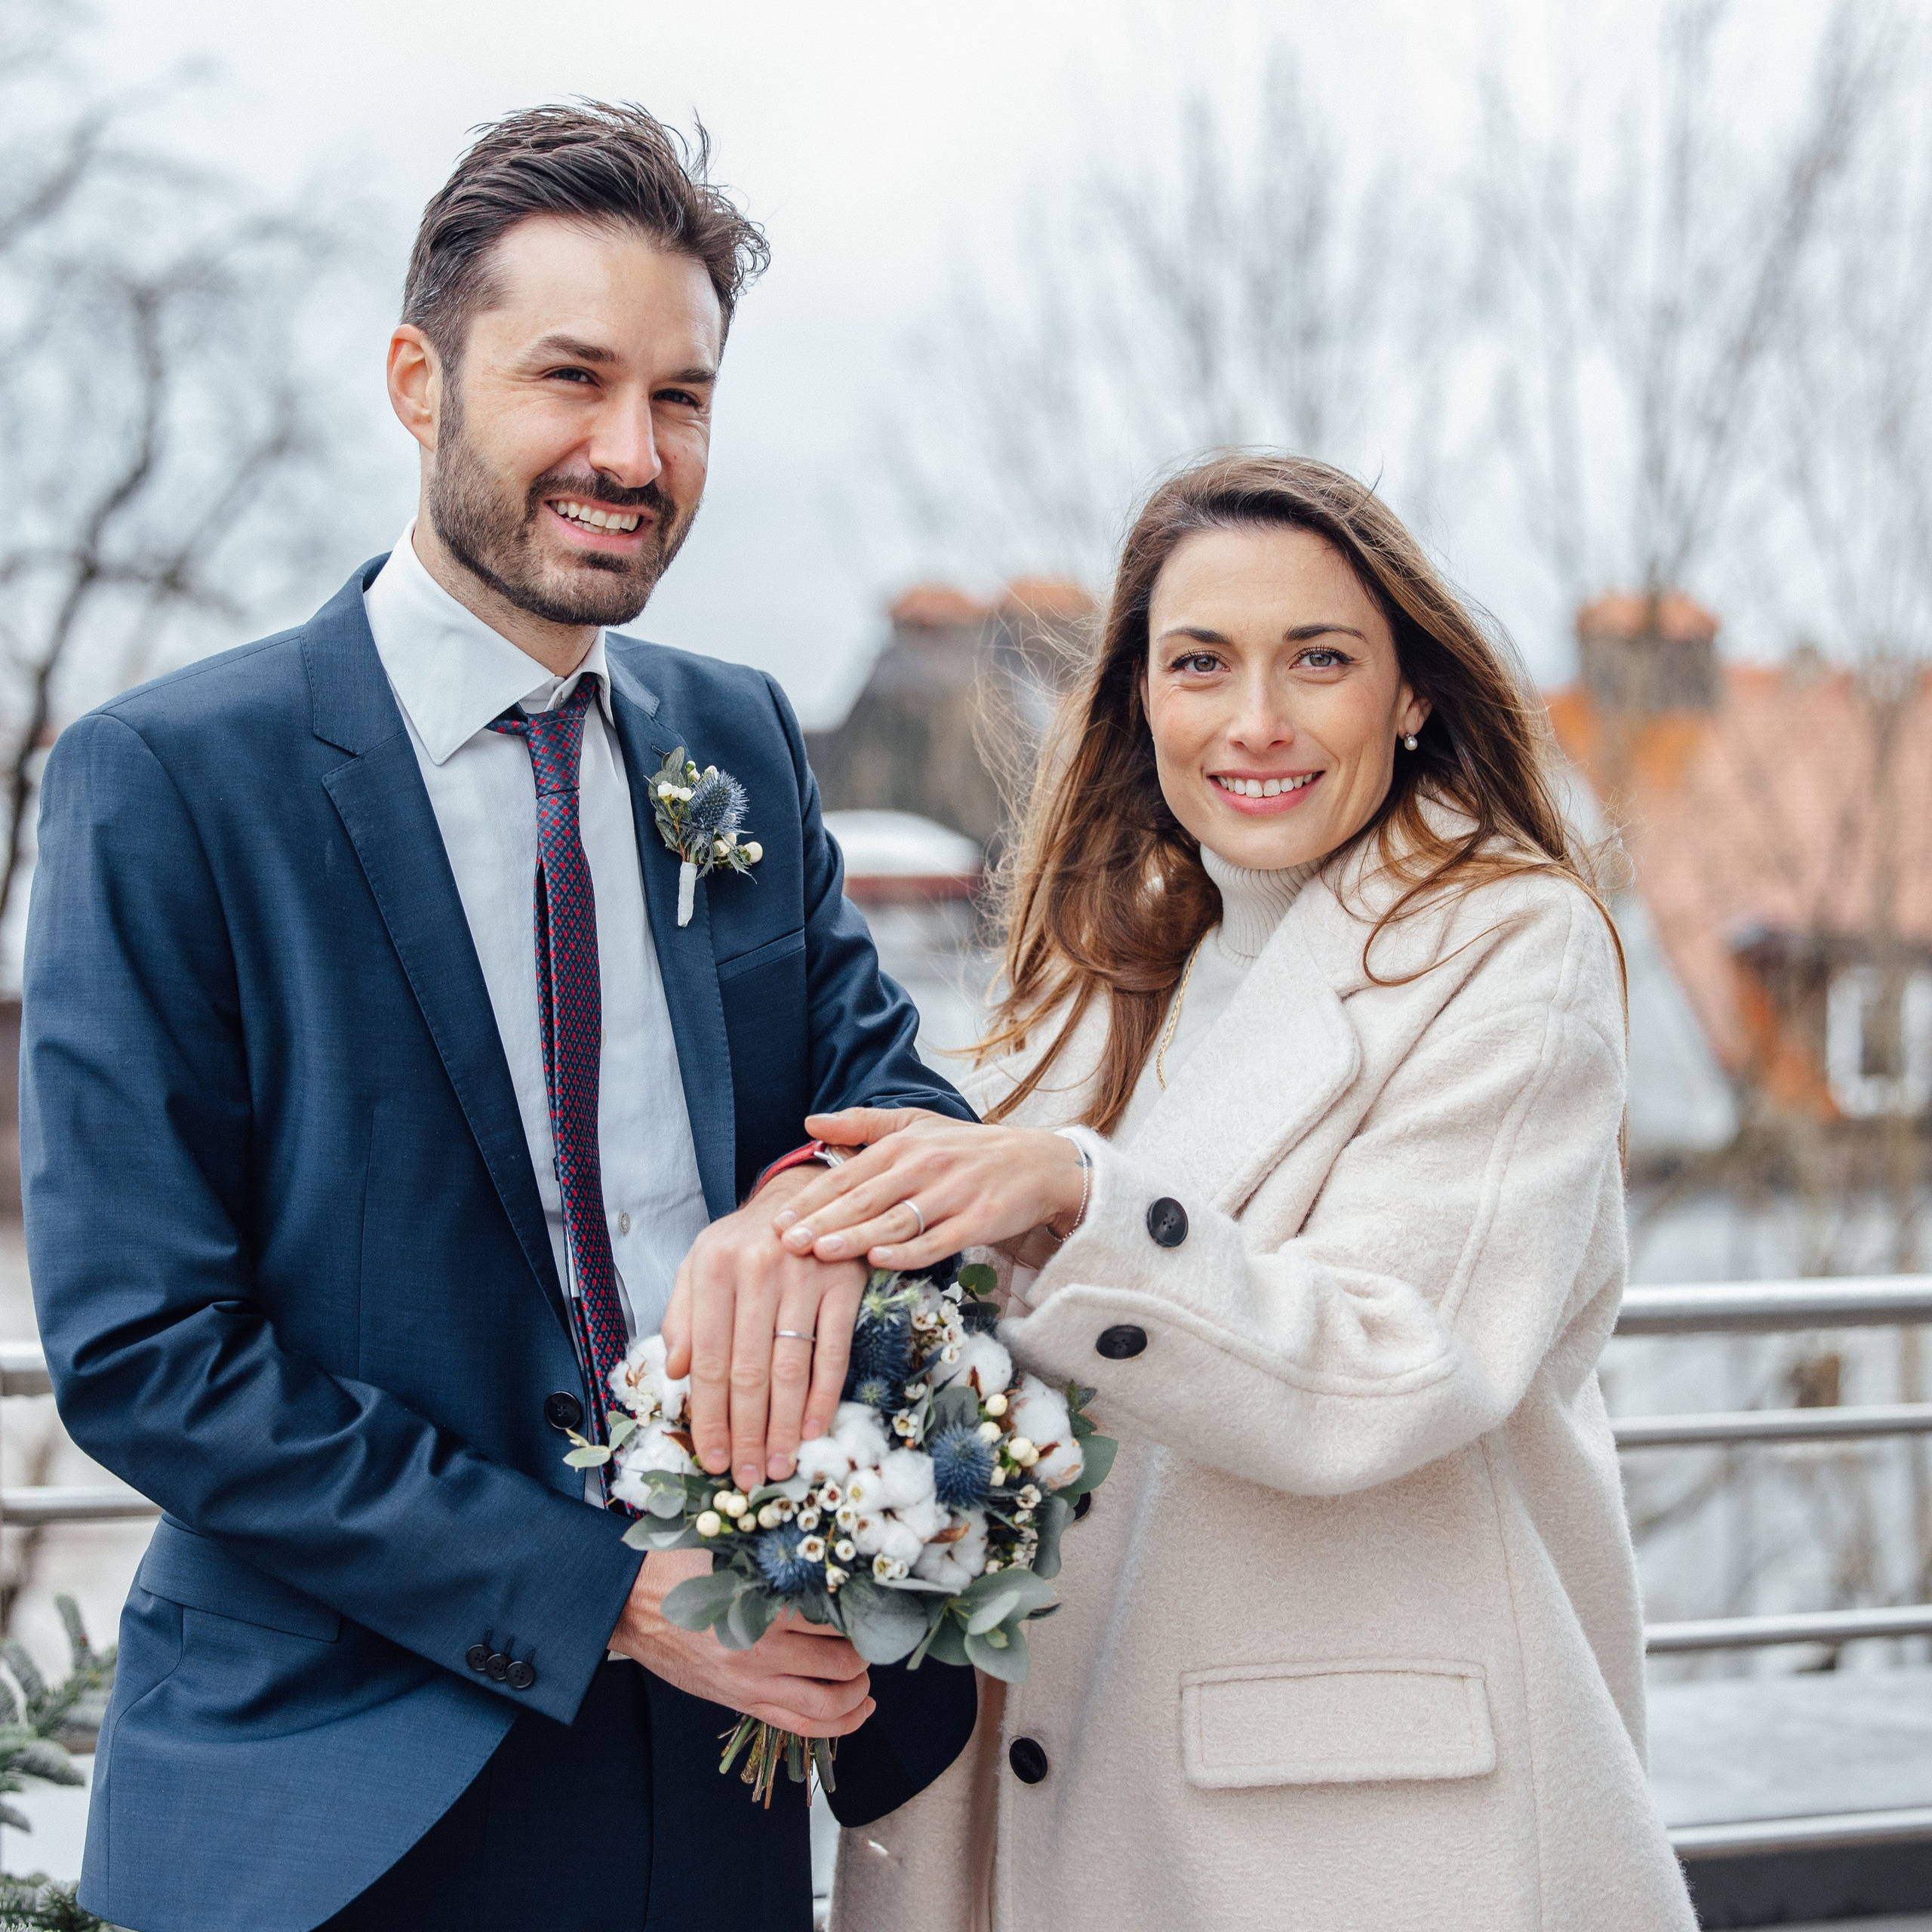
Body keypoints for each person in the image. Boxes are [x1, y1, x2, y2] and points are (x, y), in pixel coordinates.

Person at [20, 103, 974, 1932]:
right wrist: (602, 1588)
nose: (630, 452)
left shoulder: (739, 738)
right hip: (333, 1793)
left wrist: (794, 1218)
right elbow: (145, 1344)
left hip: (717, 1775)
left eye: (680, 398)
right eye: (570, 378)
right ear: (417, 379)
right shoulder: (167, 780)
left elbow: (887, 1109)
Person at [768, 454, 1697, 1930]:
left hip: (1351, 1835)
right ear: (1141, 693)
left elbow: (1392, 1357)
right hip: (1044, 1790)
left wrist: (1071, 1198)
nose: (1252, 719)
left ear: (1409, 692)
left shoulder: (1512, 950)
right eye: (1198, 661)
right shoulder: (1109, 962)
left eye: (1315, 658)